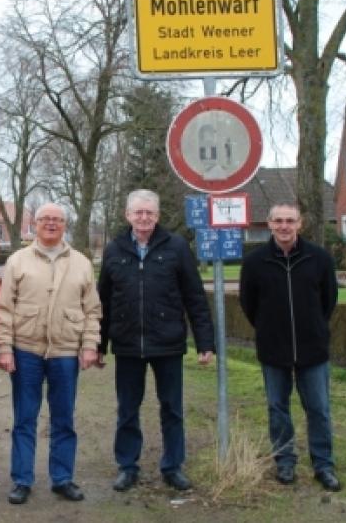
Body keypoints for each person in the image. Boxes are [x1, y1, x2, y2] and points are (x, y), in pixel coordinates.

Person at [97, 189, 215, 493]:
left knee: (172, 408)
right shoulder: (114, 250)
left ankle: (173, 466)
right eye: (138, 212)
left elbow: (194, 297)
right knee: (127, 408)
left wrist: (205, 342)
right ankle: (127, 465)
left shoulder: (176, 247)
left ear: (158, 216)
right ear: (127, 215)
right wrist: (99, 346)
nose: (144, 217)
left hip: (168, 343)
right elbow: (103, 303)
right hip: (127, 345)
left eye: (149, 212)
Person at [0, 203, 102, 505]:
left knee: (63, 418)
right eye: (45, 219)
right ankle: (22, 480)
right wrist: (4, 347)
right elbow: (3, 309)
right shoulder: (18, 260)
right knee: (25, 418)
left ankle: (62, 478)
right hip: (26, 350)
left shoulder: (81, 263)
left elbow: (92, 310)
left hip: (66, 352)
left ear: (65, 224)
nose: (52, 224)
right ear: (35, 224)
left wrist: (90, 345)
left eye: (58, 220)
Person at [239, 203, 342, 492]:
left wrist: (314, 329)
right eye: (279, 221)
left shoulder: (319, 258)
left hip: (313, 350)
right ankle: (285, 461)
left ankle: (323, 464)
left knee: (319, 409)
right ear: (269, 224)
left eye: (290, 221)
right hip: (274, 350)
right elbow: (249, 303)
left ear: (300, 224)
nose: (284, 226)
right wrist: (269, 329)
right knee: (277, 408)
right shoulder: (255, 261)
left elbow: (328, 300)